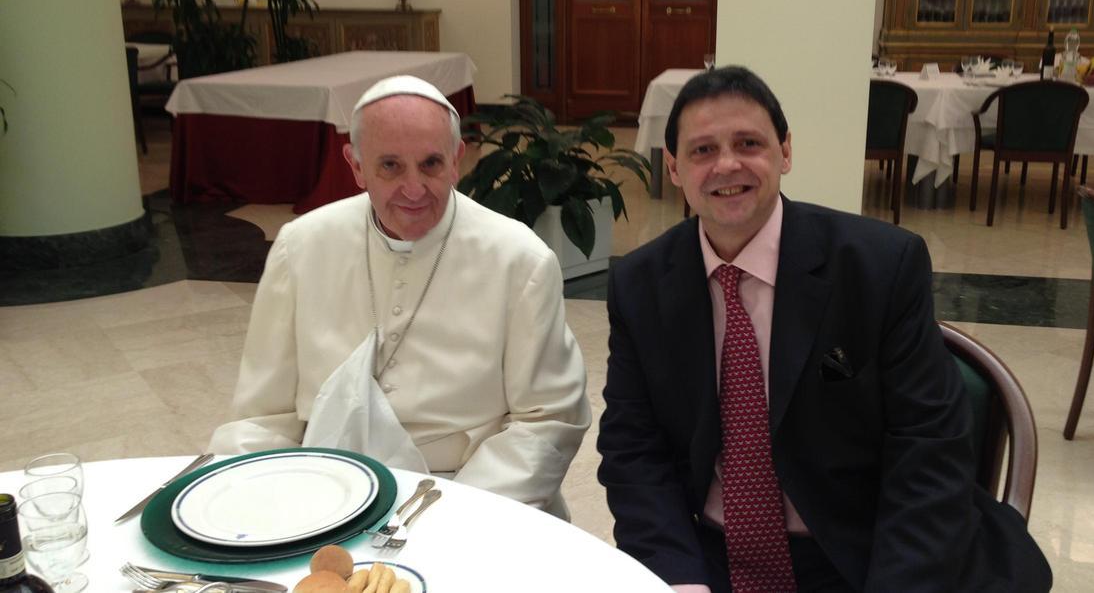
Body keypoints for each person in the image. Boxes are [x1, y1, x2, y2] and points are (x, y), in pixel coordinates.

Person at [597, 66, 1051, 591]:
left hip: (866, 550)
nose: (727, 164)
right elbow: (633, 448)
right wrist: (677, 577)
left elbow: (928, 449)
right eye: (702, 151)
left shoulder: (880, 266)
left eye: (749, 143)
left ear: (785, 152)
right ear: (673, 167)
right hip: (710, 555)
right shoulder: (640, 284)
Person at [210, 75, 590, 519]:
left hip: (472, 496)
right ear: (355, 166)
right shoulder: (302, 246)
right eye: (390, 166)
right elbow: (262, 416)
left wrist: (452, 515)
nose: (414, 189)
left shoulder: (519, 259)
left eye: (430, 164)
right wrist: (246, 498)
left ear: (456, 161)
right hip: (325, 490)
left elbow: (548, 420)